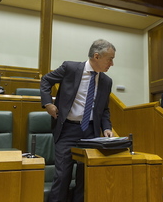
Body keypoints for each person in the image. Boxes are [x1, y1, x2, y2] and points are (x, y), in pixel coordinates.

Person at [40, 39, 115, 202]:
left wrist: (107, 127)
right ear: (97, 56)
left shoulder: (106, 81)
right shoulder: (70, 68)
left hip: (90, 133)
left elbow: (104, 109)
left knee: (85, 177)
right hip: (67, 130)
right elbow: (46, 80)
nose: (112, 63)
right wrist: (47, 103)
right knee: (63, 176)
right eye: (110, 59)